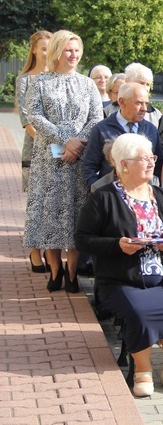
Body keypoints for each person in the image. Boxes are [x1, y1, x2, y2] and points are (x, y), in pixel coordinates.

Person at [74, 134, 163, 397]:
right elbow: (82, 239)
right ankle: (143, 370)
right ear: (123, 164)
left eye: (152, 157)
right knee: (139, 313)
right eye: (145, 159)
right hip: (121, 279)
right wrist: (118, 245)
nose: (152, 163)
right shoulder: (102, 198)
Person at [24, 30, 103, 293]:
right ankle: (55, 270)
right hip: (48, 160)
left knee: (77, 216)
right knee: (51, 216)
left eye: (77, 49)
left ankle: (72, 272)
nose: (74, 55)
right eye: (69, 50)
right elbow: (34, 115)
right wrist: (64, 139)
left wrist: (77, 142)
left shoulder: (87, 83)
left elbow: (96, 117)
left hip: (79, 159)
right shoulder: (40, 82)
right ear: (58, 50)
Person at [15, 30, 51, 273]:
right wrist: (48, 143)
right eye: (44, 48)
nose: (48, 53)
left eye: (51, 48)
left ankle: (52, 250)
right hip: (37, 149)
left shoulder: (58, 79)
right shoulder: (25, 79)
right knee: (36, 203)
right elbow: (27, 120)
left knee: (52, 203)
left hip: (58, 150)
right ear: (34, 50)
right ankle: (34, 252)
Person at [83, 82, 163, 190]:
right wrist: (98, 192)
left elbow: (159, 164)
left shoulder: (150, 129)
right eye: (139, 103)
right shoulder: (102, 129)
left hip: (142, 197)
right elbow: (89, 166)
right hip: (111, 198)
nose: (144, 108)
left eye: (146, 103)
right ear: (122, 102)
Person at [124, 63, 163, 143]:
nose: (145, 88)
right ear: (127, 82)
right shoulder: (109, 112)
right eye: (141, 83)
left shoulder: (156, 116)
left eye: (147, 84)